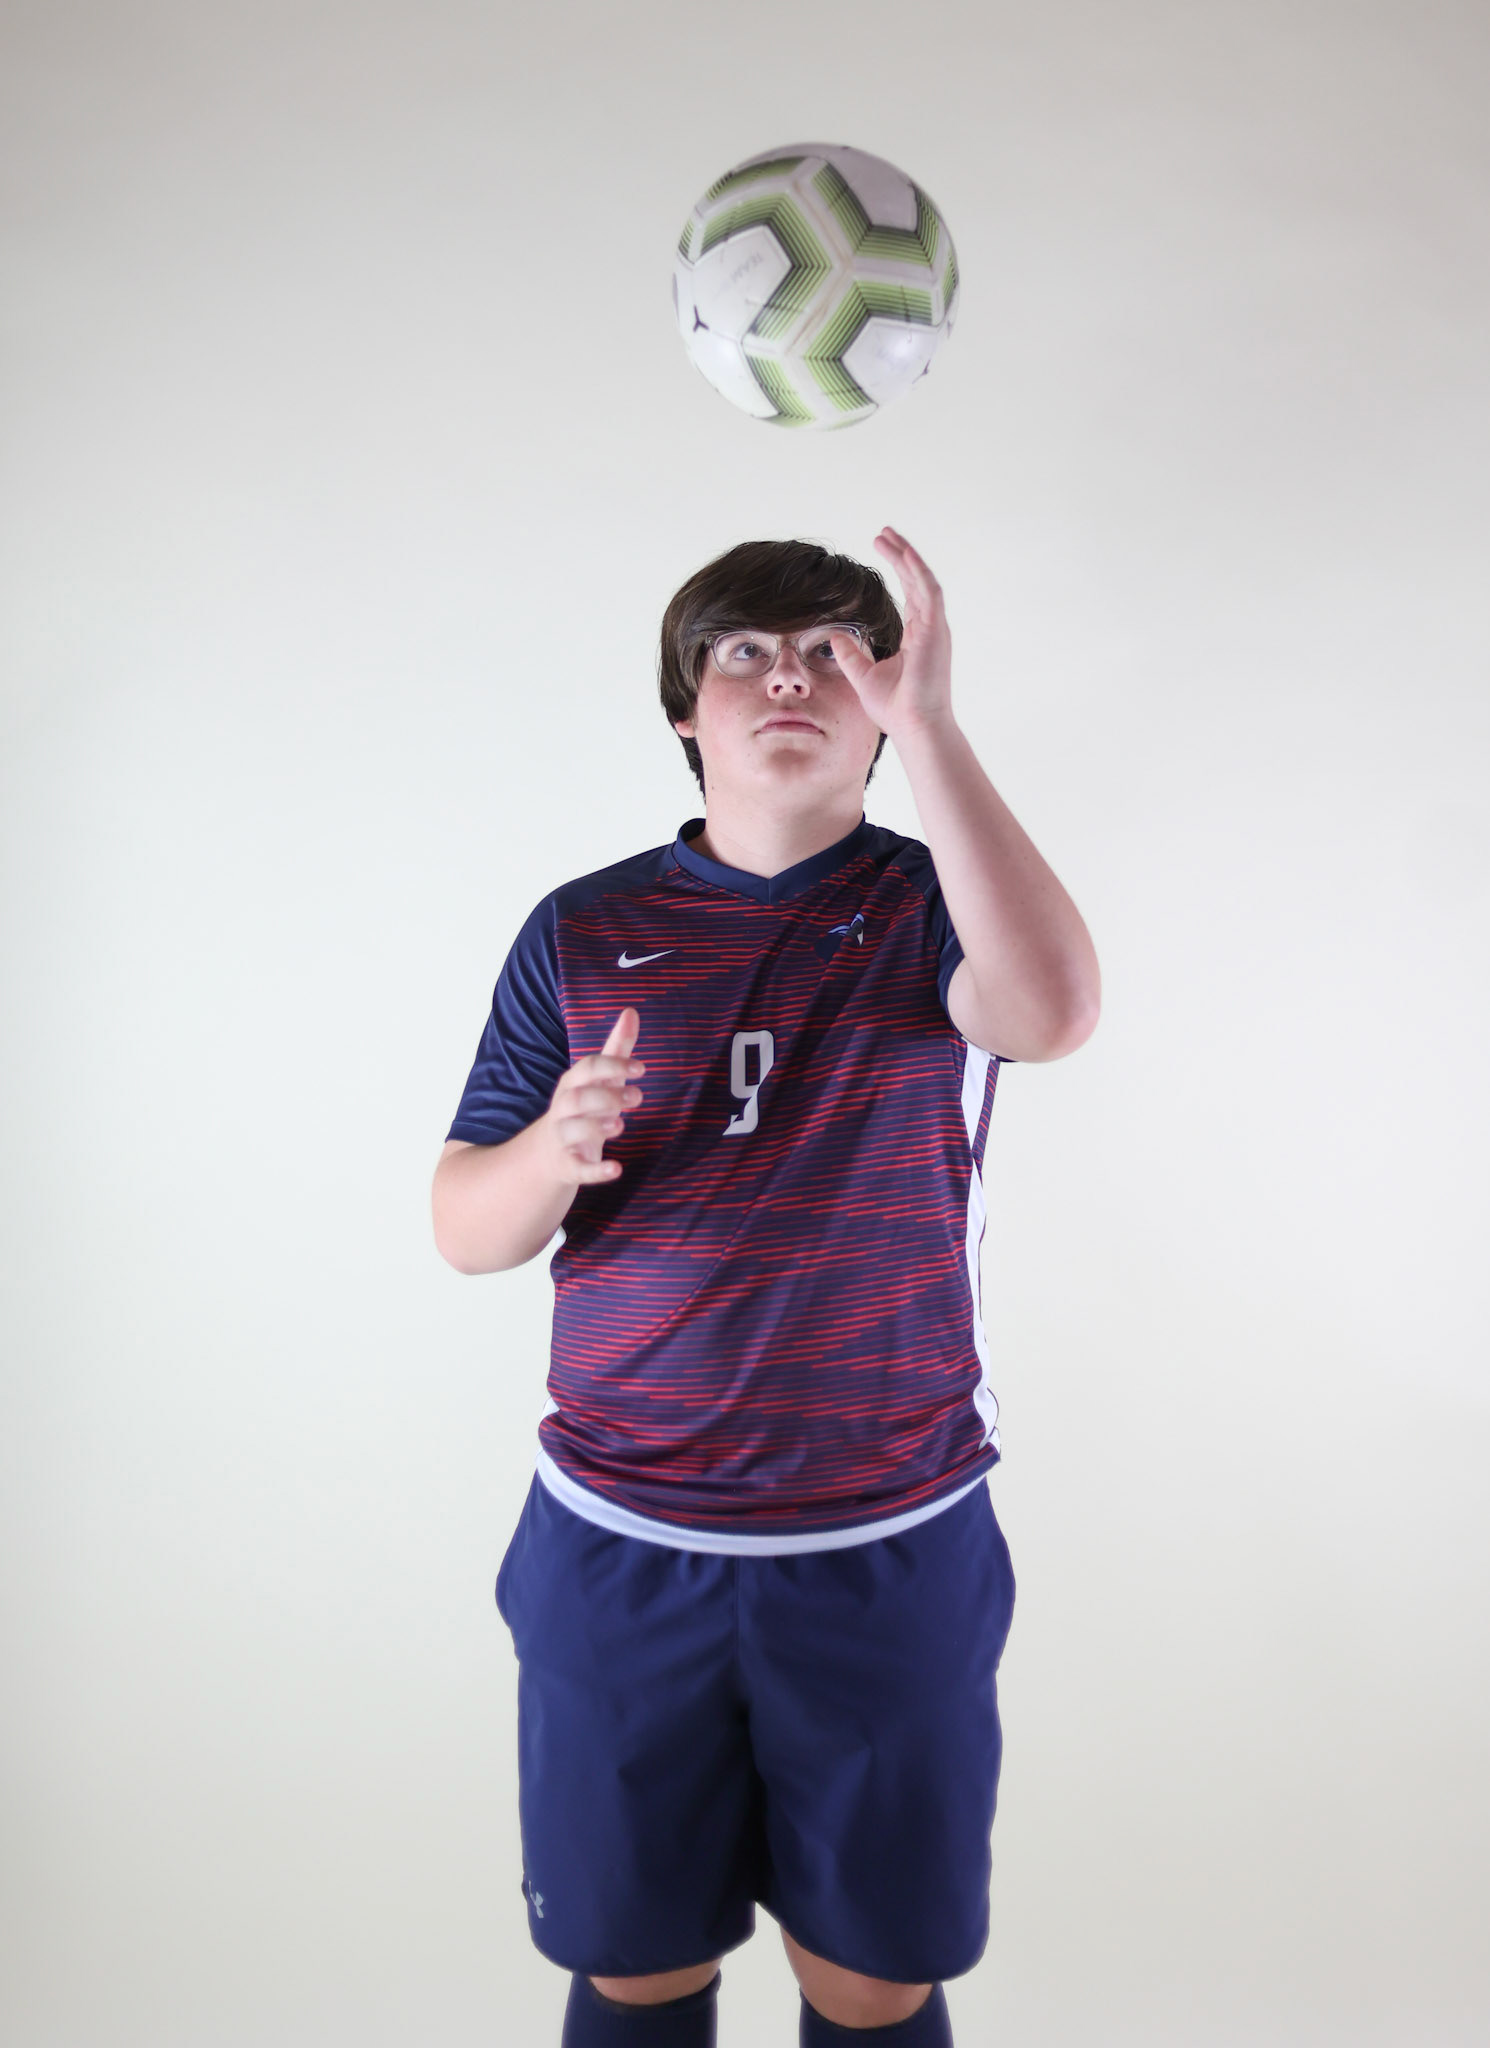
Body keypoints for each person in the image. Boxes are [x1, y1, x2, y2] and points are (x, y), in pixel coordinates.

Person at [432, 527, 1100, 2047]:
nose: (789, 674)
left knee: (870, 1976)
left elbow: (1051, 1015)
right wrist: (553, 1148)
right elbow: (466, 1225)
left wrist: (931, 725)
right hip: (618, 1539)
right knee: (637, 1962)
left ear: (881, 701)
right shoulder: (584, 929)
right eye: (744, 650)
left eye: (834, 652)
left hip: (885, 1534)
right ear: (685, 708)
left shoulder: (936, 903)